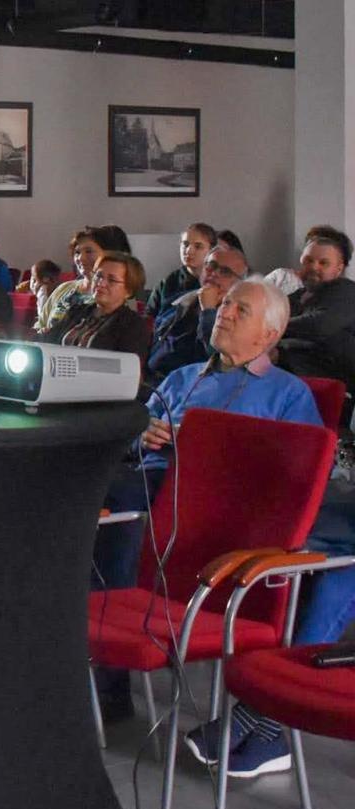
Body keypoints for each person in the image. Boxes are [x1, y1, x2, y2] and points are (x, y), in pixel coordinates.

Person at [94, 278, 318, 728]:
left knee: (112, 512)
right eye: (226, 305)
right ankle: (85, 662)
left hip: (210, 503)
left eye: (241, 311)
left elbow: (297, 475)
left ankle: (108, 685)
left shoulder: (288, 393)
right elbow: (134, 444)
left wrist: (207, 448)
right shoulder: (183, 376)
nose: (226, 313)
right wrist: (144, 434)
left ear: (268, 335)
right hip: (150, 482)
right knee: (85, 496)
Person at [147, 244, 249, 379]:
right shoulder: (178, 300)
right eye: (211, 266)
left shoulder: (239, 318)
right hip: (150, 382)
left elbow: (216, 355)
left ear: (239, 284)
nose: (214, 273)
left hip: (191, 388)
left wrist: (208, 310)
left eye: (225, 272)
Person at [277, 229, 355, 395]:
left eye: (323, 263)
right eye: (308, 260)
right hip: (291, 383)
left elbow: (319, 325)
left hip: (337, 390)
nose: (313, 267)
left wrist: (273, 328)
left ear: (338, 269)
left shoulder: (346, 291)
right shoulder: (292, 298)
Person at [43, 251, 150, 360]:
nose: (101, 283)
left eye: (111, 280)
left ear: (129, 290)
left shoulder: (133, 325)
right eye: (98, 276)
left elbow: (129, 369)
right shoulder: (77, 311)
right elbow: (48, 340)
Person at [36, 225, 132, 336]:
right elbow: (41, 323)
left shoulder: (116, 294)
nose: (80, 258)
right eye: (77, 252)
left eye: (89, 251)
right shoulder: (65, 288)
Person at [147, 222, 218, 320]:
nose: (188, 251)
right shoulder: (167, 283)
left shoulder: (216, 282)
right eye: (185, 244)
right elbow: (149, 316)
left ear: (211, 250)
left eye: (198, 246)